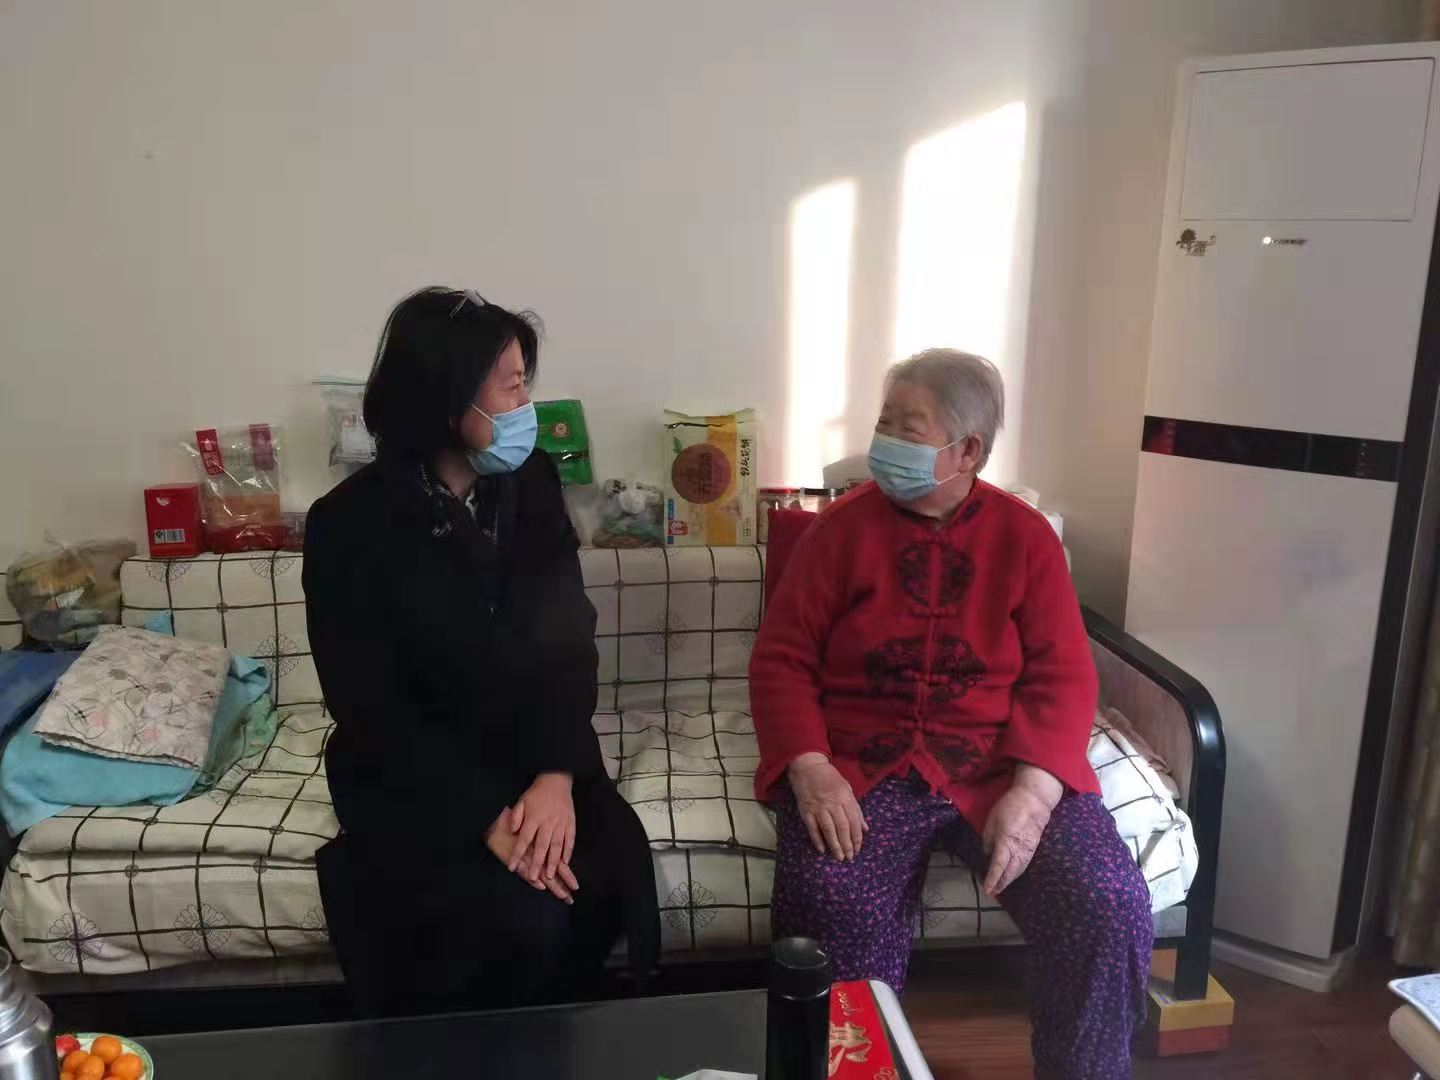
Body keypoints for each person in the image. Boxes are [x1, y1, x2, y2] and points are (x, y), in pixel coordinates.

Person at [750, 349, 1152, 1079]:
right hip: (862, 767)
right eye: (884, 423)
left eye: (908, 428)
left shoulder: (1026, 538)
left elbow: (1063, 674)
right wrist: (810, 768)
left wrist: (1035, 791)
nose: (885, 441)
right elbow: (782, 659)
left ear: (968, 451)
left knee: (1106, 899)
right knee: (829, 902)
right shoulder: (837, 531)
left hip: (996, 766)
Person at [303, 287, 657, 1016]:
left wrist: (555, 777)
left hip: (533, 748)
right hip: (417, 769)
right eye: (511, 387)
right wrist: (485, 818)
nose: (527, 405)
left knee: (598, 881)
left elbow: (568, 639)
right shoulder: (350, 524)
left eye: (526, 382)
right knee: (507, 919)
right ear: (445, 400)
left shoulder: (530, 484)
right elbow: (368, 705)